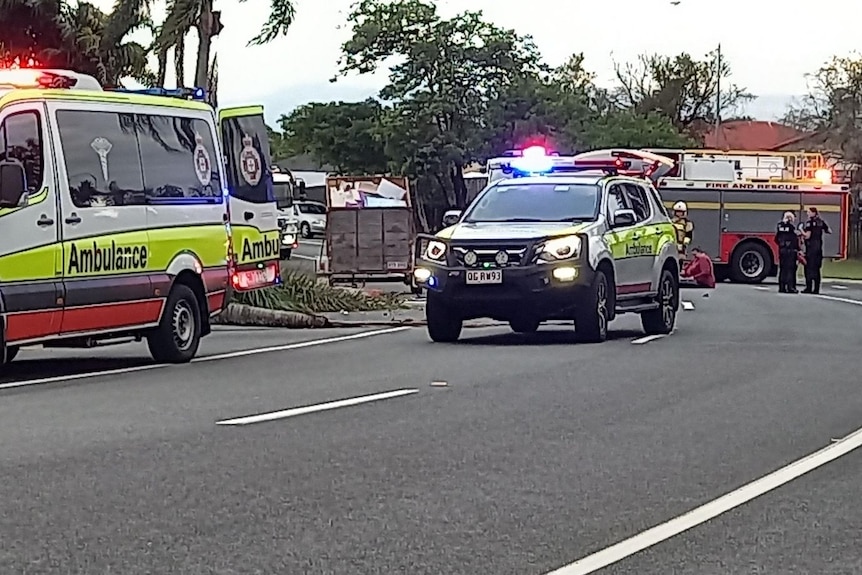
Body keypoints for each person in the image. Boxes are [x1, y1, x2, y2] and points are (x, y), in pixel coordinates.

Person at [800, 206, 831, 294]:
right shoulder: (821, 222)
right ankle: (816, 289)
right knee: (817, 269)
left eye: (809, 212)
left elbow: (807, 236)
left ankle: (809, 288)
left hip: (811, 248)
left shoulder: (809, 223)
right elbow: (829, 231)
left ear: (814, 213)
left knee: (809, 268)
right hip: (818, 248)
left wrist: (801, 230)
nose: (807, 213)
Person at [774, 211, 799, 293]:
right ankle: (790, 287)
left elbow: (776, 239)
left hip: (782, 250)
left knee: (782, 269)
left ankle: (782, 287)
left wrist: (781, 245)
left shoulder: (779, 226)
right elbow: (794, 239)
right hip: (790, 250)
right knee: (791, 269)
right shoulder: (791, 228)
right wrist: (798, 249)